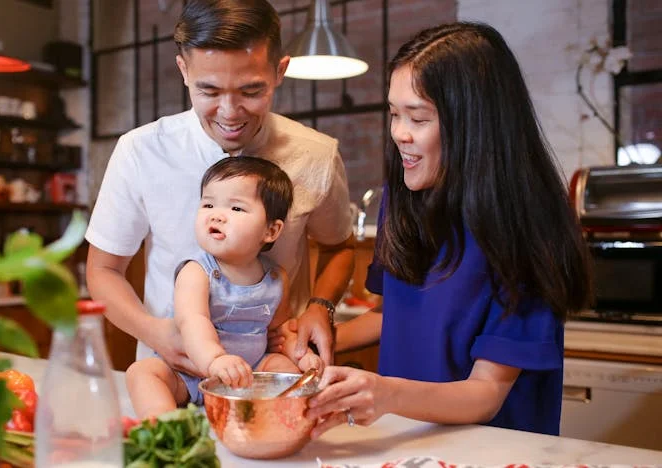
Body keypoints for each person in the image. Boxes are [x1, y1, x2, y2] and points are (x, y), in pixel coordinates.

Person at [305, 22, 593, 437]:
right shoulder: (402, 200)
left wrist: (384, 393)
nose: (399, 133)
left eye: (417, 118)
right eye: (394, 114)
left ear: (475, 125)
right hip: (406, 443)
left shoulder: (530, 227)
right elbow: (396, 316)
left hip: (494, 452)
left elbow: (486, 393)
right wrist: (317, 340)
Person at [85, 0, 355, 376]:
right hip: (170, 373)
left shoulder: (315, 155)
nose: (229, 112)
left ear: (279, 71)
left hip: (274, 374)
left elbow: (339, 247)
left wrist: (320, 306)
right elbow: (103, 270)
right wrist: (156, 333)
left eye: (251, 91)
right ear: (184, 71)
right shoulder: (141, 150)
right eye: (209, 91)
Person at [126, 157, 323, 418]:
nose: (216, 215)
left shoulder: (276, 278)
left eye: (236, 208)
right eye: (208, 204)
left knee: (284, 369)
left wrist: (300, 355)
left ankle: (273, 418)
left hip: (249, 374)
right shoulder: (197, 271)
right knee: (143, 372)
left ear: (271, 231)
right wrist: (215, 360)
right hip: (190, 372)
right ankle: (163, 421)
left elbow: (279, 332)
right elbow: (192, 321)